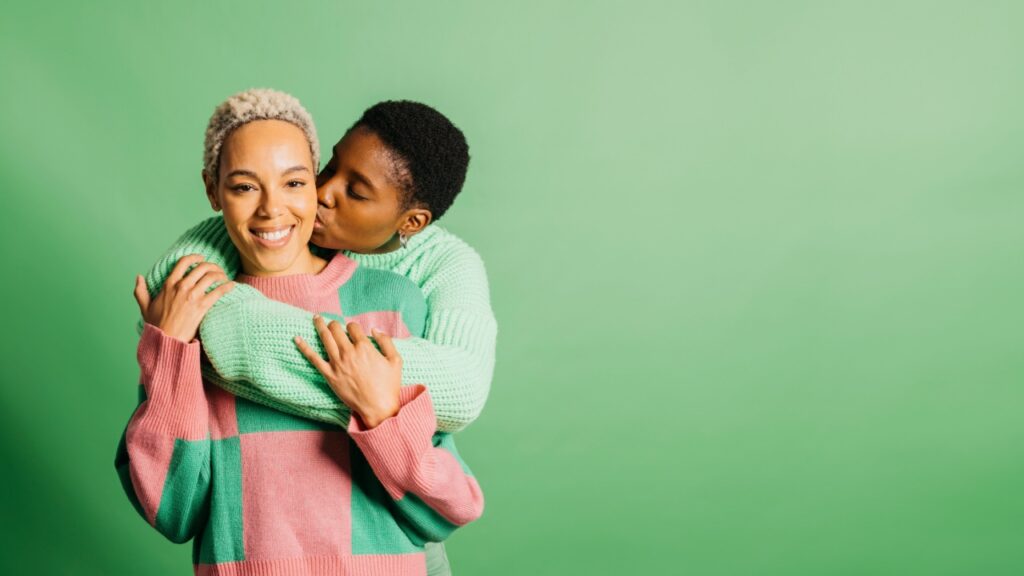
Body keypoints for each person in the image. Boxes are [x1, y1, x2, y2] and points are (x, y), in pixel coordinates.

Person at [115, 89, 483, 576]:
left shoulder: (398, 299)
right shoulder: (186, 315)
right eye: (245, 186)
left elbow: (447, 509)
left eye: (294, 182)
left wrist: (383, 416)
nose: (272, 208)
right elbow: (172, 511)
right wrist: (170, 356)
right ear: (213, 190)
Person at [141, 100, 497, 435]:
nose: (322, 191)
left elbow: (460, 391)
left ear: (413, 222)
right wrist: (369, 402)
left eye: (355, 192)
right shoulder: (284, 217)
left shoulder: (448, 265)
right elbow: (169, 282)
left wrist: (213, 346)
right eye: (330, 166)